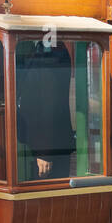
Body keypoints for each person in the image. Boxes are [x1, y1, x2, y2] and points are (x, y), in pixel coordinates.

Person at [15, 40, 74, 180]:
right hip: (42, 143)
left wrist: (44, 152)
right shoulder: (44, 50)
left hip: (46, 147)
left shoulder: (49, 53)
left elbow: (49, 105)